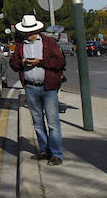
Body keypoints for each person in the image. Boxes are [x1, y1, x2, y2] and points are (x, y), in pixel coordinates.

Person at [9, 14, 66, 166]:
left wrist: (40, 62)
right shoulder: (21, 45)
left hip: (48, 87)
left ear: (37, 30)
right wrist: (21, 62)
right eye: (26, 31)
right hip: (31, 87)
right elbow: (13, 64)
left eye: (31, 31)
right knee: (38, 121)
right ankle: (43, 150)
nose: (29, 34)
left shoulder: (49, 42)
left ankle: (56, 154)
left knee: (53, 122)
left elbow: (59, 61)